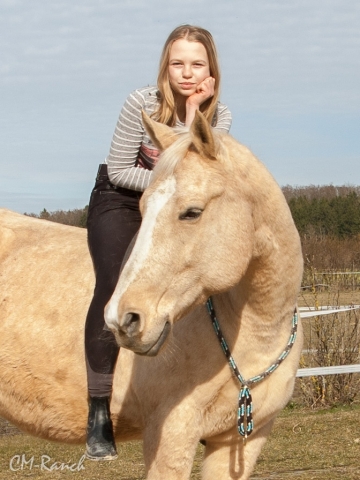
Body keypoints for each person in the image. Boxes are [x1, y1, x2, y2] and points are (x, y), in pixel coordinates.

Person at [84, 24, 232, 461]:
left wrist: (192, 112)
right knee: (114, 284)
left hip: (176, 203)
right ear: (165, 66)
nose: (186, 73)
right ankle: (98, 410)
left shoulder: (220, 115)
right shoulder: (140, 102)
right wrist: (169, 186)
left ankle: (204, 398)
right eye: (177, 63)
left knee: (199, 284)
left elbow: (204, 175)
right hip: (123, 197)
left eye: (196, 64)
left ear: (211, 68)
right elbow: (119, 169)